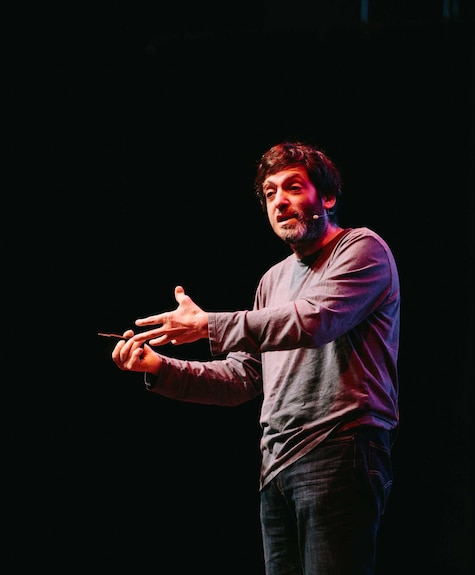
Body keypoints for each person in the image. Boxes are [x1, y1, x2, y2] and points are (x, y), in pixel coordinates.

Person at [109, 141, 400, 575]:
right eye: (269, 193)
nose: (279, 201)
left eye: (293, 187)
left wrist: (209, 325)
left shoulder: (362, 250)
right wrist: (159, 367)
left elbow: (313, 321)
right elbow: (245, 376)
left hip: (340, 448)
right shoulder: (272, 280)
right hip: (277, 463)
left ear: (328, 197)